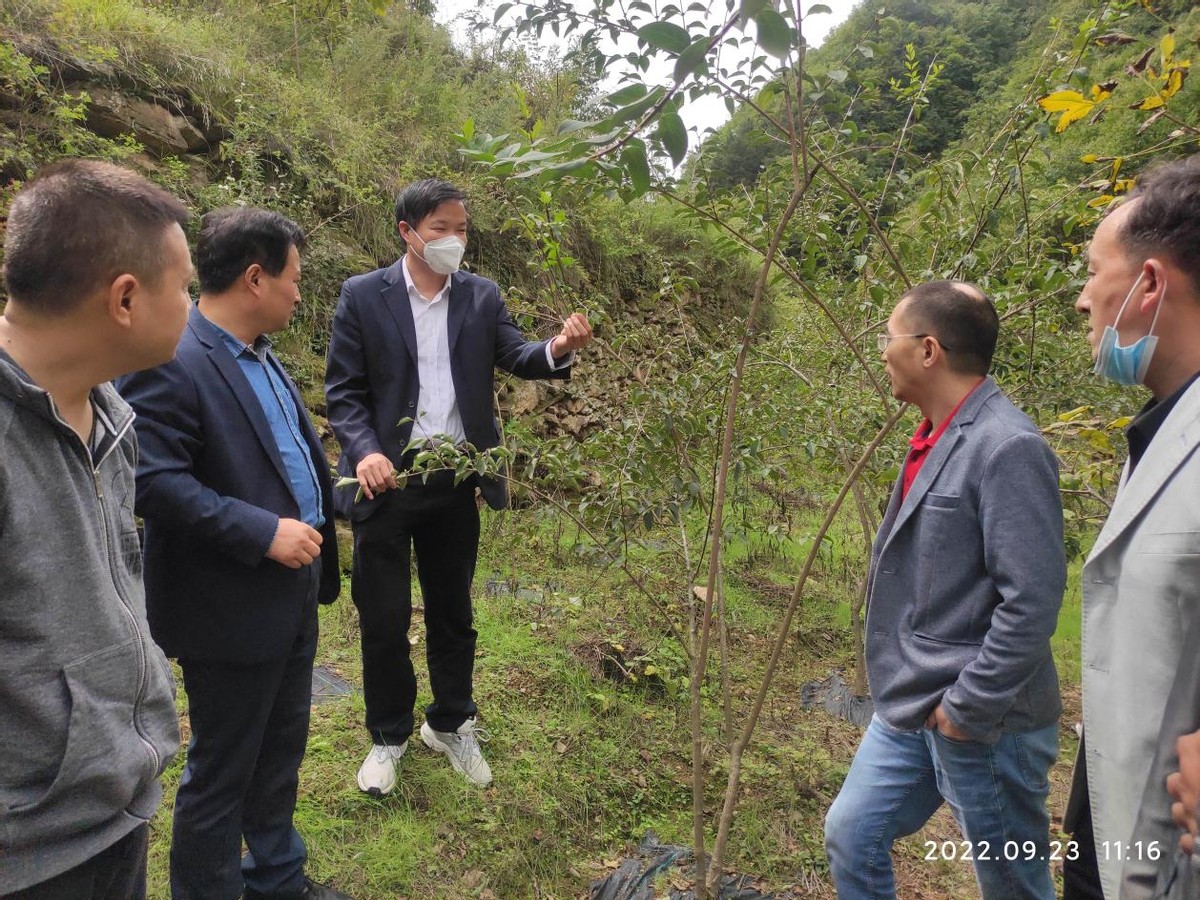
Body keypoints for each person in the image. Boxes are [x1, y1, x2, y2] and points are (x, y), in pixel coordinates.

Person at [325, 177, 593, 791]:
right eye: (441, 228)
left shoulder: (479, 296)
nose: (453, 240)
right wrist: (364, 452)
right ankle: (388, 735)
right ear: (408, 232)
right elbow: (344, 392)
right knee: (385, 618)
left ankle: (449, 724)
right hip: (386, 484)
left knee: (453, 613)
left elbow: (517, 355)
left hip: (454, 482)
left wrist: (556, 347)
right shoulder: (364, 296)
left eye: (462, 229)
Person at [117, 208, 349, 900]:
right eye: (295, 279)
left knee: (279, 753)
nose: (301, 295)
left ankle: (276, 877)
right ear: (256, 278)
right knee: (222, 771)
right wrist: (262, 530)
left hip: (293, 593)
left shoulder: (261, 356)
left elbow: (281, 459)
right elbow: (151, 480)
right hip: (229, 606)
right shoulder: (176, 359)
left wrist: (337, 493)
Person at [823, 280, 1065, 899]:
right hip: (912, 702)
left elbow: (1032, 602)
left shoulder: (1007, 445)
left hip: (984, 718)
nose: (882, 351)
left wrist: (964, 711)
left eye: (890, 338)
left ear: (928, 350)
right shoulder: (933, 434)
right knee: (852, 835)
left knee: (1011, 885)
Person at [0, 159, 186, 898]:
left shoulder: (112, 415)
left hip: (114, 813)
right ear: (126, 298)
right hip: (29, 859)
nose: (194, 304)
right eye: (186, 285)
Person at [1065, 155, 1200, 900]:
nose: (1084, 299)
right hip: (1115, 827)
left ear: (1148, 284)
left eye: (1094, 271)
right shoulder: (1159, 430)